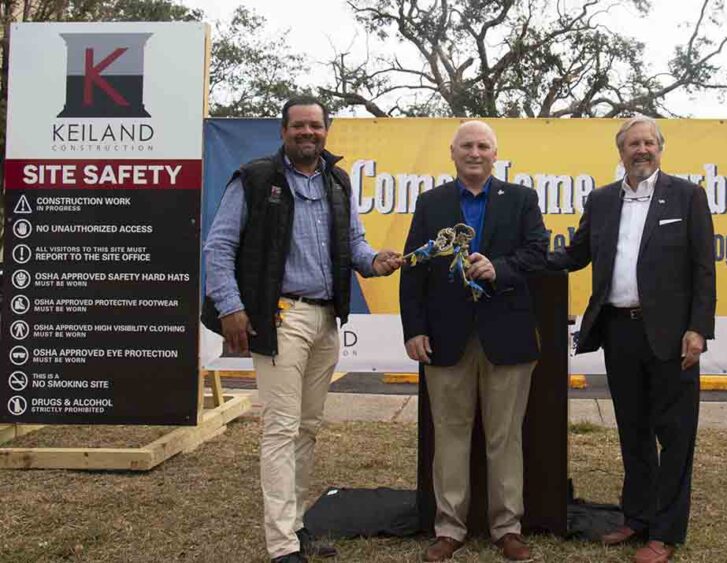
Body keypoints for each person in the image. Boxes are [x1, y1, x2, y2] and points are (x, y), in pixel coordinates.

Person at [203, 96, 403, 563]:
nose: (307, 133)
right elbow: (219, 247)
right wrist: (231, 307)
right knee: (280, 427)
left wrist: (375, 262)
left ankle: (294, 526)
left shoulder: (337, 181)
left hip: (326, 317)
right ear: (283, 131)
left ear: (325, 131)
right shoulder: (255, 178)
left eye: (315, 126)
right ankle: (281, 545)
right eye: (299, 126)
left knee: (307, 427)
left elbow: (353, 243)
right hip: (279, 316)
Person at [548, 116, 716, 563]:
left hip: (672, 336)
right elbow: (574, 253)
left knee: (675, 436)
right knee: (633, 431)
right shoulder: (602, 200)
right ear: (619, 151)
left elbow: (703, 269)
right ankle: (636, 518)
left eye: (649, 143)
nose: (641, 150)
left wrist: (698, 329)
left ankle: (665, 532)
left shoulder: (687, 195)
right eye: (632, 144)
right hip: (619, 331)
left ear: (660, 148)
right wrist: (521, 259)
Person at [400, 120, 548, 562]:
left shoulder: (521, 199)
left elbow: (537, 253)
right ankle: (449, 529)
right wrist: (414, 329)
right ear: (453, 153)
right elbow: (414, 269)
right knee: (449, 434)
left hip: (507, 335)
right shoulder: (432, 203)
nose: (475, 153)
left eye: (483, 146)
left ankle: (507, 528)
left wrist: (498, 268)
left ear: (495, 154)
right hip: (446, 338)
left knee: (505, 437)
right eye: (467, 146)